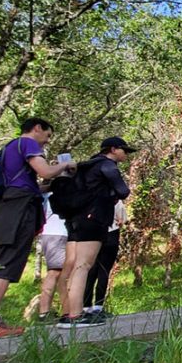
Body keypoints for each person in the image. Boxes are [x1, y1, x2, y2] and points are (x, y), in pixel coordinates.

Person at [0, 118, 73, 340]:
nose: (46, 142)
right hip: (18, 210)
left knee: (3, 263)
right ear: (37, 128)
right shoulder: (27, 144)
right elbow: (44, 171)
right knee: (4, 266)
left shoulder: (9, 148)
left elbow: (34, 183)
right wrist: (65, 165)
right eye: (47, 135)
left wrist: (49, 187)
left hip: (8, 207)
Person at [59, 136, 134, 328]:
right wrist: (110, 195)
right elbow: (123, 191)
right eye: (124, 150)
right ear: (113, 149)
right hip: (94, 218)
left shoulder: (85, 166)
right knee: (84, 266)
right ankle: (76, 316)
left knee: (76, 265)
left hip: (75, 219)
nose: (126, 154)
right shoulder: (107, 166)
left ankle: (69, 312)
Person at [81, 199, 126, 321]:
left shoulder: (91, 199)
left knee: (91, 271)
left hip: (93, 234)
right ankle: (98, 307)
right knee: (103, 272)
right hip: (111, 235)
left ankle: (86, 306)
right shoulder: (116, 201)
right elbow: (122, 220)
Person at [35, 192, 70, 324]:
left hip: (52, 234)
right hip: (58, 233)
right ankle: (45, 312)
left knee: (61, 273)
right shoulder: (53, 194)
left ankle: (62, 311)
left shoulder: (44, 194)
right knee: (56, 272)